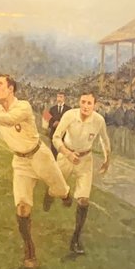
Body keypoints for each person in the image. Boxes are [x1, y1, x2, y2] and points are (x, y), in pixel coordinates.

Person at [0, 71, 70, 269]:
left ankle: (55, 193)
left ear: (11, 89)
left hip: (39, 157)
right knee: (22, 208)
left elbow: (7, 120)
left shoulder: (23, 106)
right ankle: (30, 252)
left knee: (62, 193)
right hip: (21, 162)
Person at [52, 91, 112, 254]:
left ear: (95, 105)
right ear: (79, 102)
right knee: (55, 189)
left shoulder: (99, 120)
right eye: (83, 102)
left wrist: (107, 159)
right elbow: (56, 138)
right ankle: (55, 195)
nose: (85, 106)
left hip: (85, 160)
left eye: (89, 103)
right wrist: (68, 153)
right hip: (66, 156)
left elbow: (104, 139)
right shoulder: (70, 115)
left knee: (84, 200)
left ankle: (75, 240)